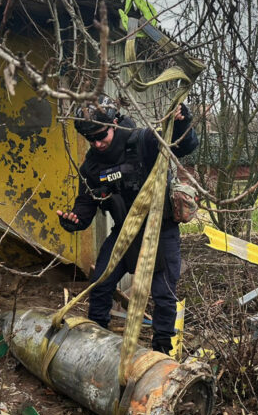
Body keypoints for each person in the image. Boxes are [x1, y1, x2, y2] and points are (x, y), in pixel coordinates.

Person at [56, 95, 198, 354]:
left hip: (160, 230)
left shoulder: (143, 141)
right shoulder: (91, 167)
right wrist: (73, 221)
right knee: (100, 284)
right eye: (91, 140)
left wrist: (181, 121)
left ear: (115, 123)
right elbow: (85, 208)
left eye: (102, 136)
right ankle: (94, 344)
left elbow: (183, 145)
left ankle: (161, 353)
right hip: (123, 233)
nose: (97, 144)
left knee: (163, 295)